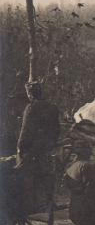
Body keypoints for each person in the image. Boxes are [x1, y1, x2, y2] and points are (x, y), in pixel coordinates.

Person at [15, 81, 60, 213]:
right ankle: (48, 202)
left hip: (32, 149)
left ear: (30, 94)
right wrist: (51, 143)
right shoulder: (52, 107)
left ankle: (29, 204)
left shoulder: (31, 108)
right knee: (46, 174)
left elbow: (26, 130)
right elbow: (56, 129)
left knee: (24, 174)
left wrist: (20, 148)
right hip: (47, 147)